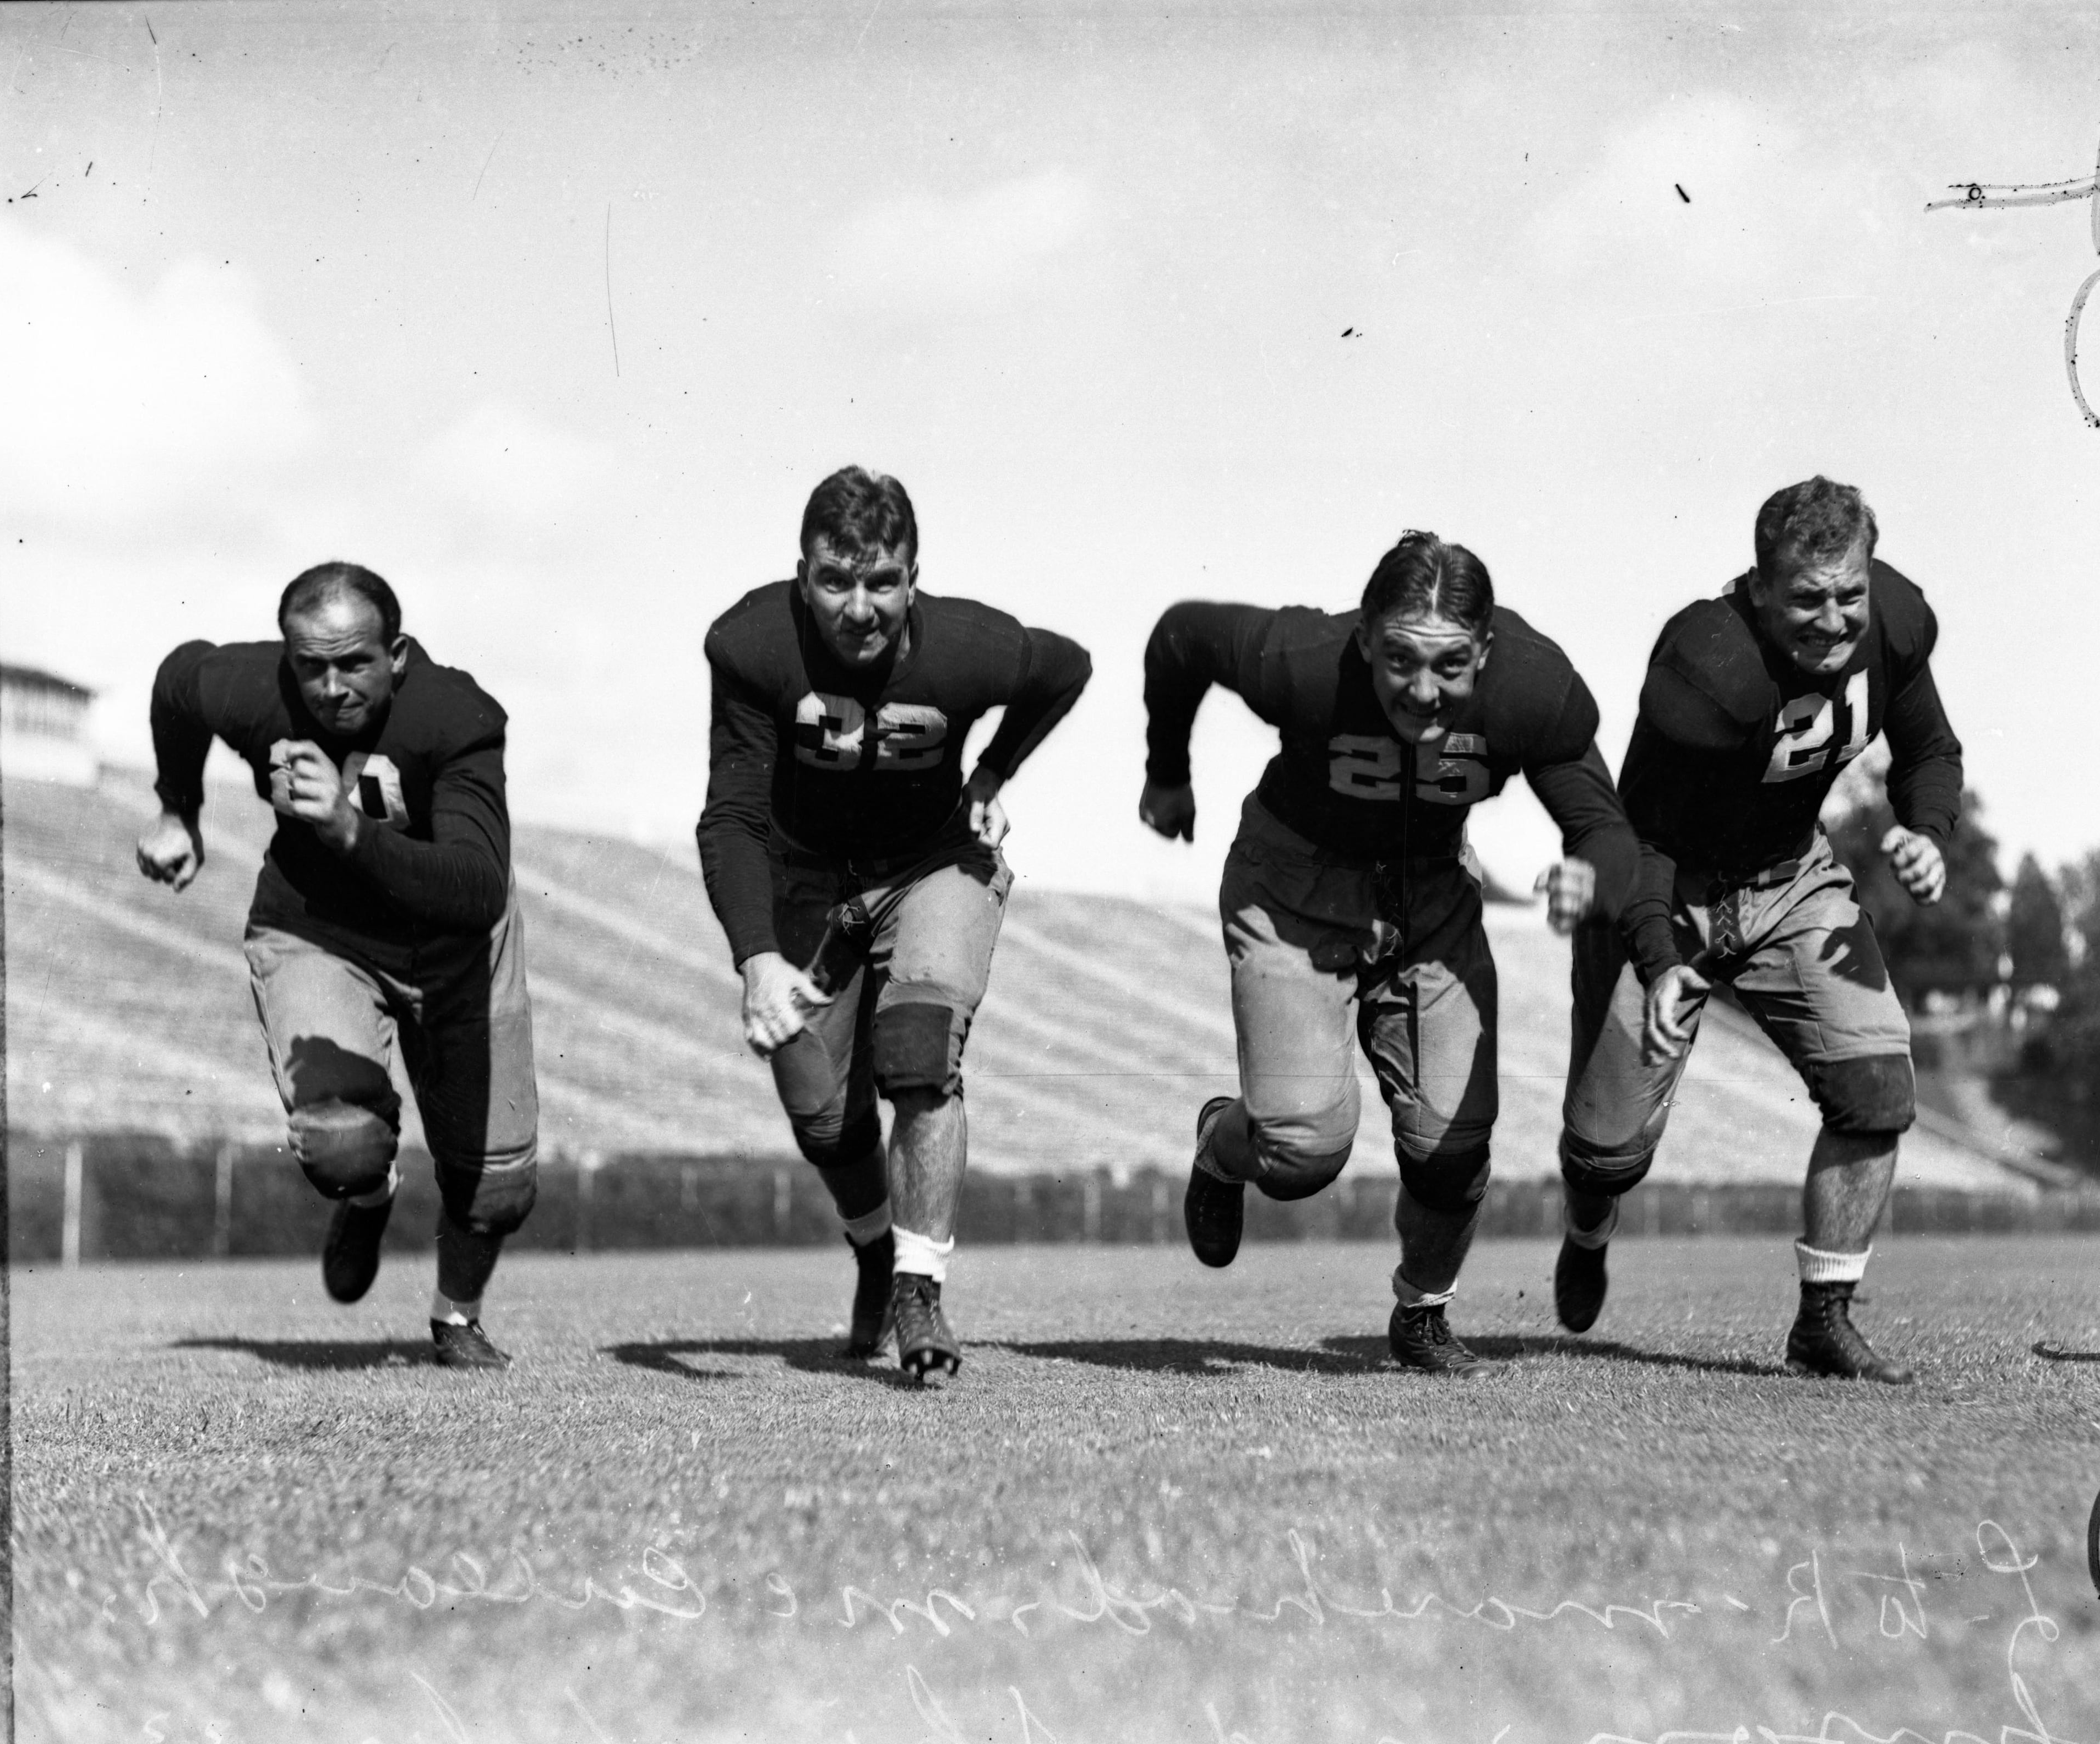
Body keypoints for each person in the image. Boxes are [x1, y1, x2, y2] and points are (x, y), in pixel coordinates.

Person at [1140, 530, 1639, 1376]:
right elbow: (1180, 636)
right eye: (1401, 659)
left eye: (1451, 664)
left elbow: (1606, 829)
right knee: (1301, 1153)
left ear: (1486, 650)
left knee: (1454, 1144)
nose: (1425, 689)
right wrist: (1167, 771)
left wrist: (1597, 879)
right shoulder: (1303, 659)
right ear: (1366, 639)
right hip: (1293, 889)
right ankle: (1220, 1147)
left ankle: (1423, 1312)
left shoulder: (1532, 686)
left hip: (1431, 896)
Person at [1553, 477, 1962, 1384]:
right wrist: (1659, 958)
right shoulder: (1708, 663)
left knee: (1878, 1089)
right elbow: (1640, 837)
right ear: (1760, 587)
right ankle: (1588, 1229)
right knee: (1608, 1153)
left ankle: (1824, 1319)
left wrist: (1929, 831)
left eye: (1849, 593)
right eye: (1808, 599)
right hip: (1671, 888)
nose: (1834, 621)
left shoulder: (1894, 621)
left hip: (1794, 879)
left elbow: (1931, 748)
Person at [697, 467, 1091, 1382]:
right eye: (836, 581)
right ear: (803, 575)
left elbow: (1065, 665)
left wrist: (993, 770)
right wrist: (757, 957)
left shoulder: (967, 645)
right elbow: (733, 814)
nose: (859, 608)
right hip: (807, 874)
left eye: (882, 582)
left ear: (915, 578)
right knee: (822, 1119)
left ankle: (919, 1287)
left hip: (932, 864)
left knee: (919, 1050)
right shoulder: (752, 642)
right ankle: (876, 1249)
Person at [137, 563, 538, 1371]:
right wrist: (178, 808)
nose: (331, 688)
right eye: (311, 666)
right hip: (321, 930)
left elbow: (476, 886)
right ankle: (369, 1192)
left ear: (397, 655)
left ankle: (456, 1318)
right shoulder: (255, 688)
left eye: (354, 663)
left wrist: (351, 831)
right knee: (342, 1144)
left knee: (499, 1187)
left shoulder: (453, 715)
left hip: (456, 943)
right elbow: (180, 678)